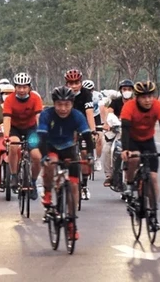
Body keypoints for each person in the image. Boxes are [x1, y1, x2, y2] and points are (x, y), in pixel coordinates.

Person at [38, 86, 94, 240]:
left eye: (67, 105)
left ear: (72, 104)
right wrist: (44, 157)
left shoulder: (77, 116)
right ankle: (48, 193)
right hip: (51, 146)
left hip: (69, 148)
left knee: (74, 185)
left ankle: (71, 221)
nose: (63, 109)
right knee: (51, 162)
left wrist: (89, 155)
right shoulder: (46, 115)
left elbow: (88, 136)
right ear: (54, 104)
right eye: (59, 105)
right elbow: (41, 138)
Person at [120, 81, 160, 230]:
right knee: (135, 157)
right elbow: (124, 129)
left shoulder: (158, 106)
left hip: (148, 141)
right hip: (132, 140)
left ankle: (153, 213)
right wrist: (125, 149)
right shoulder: (129, 107)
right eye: (144, 97)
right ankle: (130, 184)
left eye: (150, 96)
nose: (148, 100)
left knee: (153, 177)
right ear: (137, 97)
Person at [3, 72, 43, 200]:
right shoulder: (9, 100)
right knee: (14, 146)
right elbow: (7, 119)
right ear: (15, 87)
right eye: (19, 87)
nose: (21, 90)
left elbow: (38, 117)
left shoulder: (35, 98)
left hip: (31, 129)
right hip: (15, 129)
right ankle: (14, 175)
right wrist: (5, 136)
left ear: (29, 87)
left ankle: (33, 181)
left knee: (36, 156)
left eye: (24, 87)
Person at [64, 69, 96, 200]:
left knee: (84, 154)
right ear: (66, 84)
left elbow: (89, 113)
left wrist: (93, 130)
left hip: (82, 124)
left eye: (76, 83)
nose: (73, 86)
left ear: (80, 83)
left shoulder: (86, 94)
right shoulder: (63, 93)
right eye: (70, 83)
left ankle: (84, 185)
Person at [102, 79, 134, 187]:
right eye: (124, 89)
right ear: (121, 90)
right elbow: (109, 112)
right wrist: (107, 123)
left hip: (132, 132)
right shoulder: (116, 102)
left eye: (129, 89)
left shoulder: (136, 103)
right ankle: (109, 176)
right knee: (107, 149)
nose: (127, 91)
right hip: (117, 131)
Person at [82, 80, 104, 171]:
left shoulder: (98, 96)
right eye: (86, 90)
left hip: (95, 116)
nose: (88, 92)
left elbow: (102, 109)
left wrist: (104, 122)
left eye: (90, 90)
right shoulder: (80, 96)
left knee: (99, 138)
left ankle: (98, 159)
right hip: (84, 116)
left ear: (93, 89)